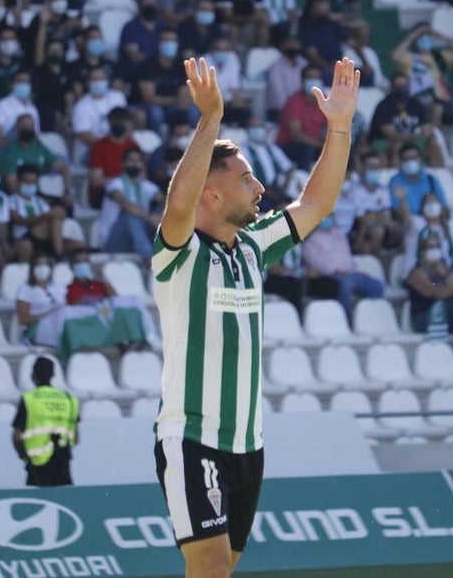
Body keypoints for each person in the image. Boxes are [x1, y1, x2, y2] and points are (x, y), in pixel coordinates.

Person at [152, 56, 357, 578]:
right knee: (212, 567)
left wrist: (339, 127)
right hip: (192, 437)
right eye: (246, 179)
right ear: (212, 193)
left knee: (219, 570)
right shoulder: (180, 254)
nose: (260, 188)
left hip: (248, 444)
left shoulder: (252, 246)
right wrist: (210, 118)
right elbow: (178, 207)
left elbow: (317, 202)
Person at [12, 356, 79, 487]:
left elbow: (17, 437)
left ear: (33, 376)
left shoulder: (29, 399)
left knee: (37, 498)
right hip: (63, 464)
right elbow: (76, 438)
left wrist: (23, 455)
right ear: (53, 375)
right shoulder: (68, 399)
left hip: (37, 465)